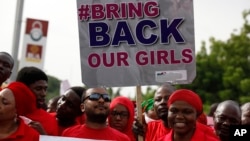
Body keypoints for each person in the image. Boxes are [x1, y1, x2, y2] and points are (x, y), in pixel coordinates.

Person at [62, 87, 130, 141]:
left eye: (106, 98)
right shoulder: (68, 134)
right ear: (82, 107)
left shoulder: (123, 139)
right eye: (94, 96)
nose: (101, 100)